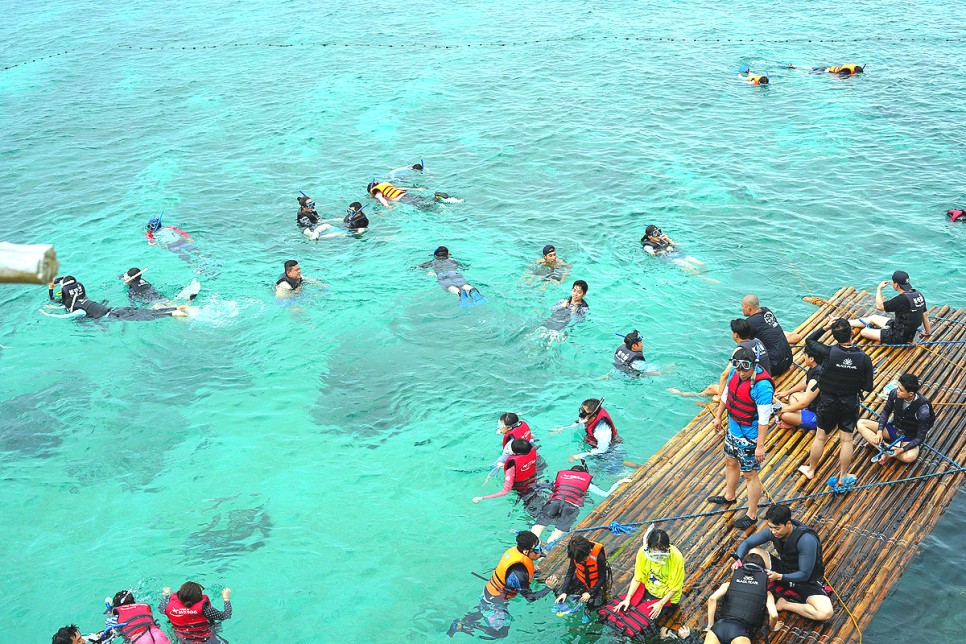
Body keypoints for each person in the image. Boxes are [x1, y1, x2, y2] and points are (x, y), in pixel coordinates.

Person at [797, 317, 874, 486]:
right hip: (849, 401)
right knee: (846, 439)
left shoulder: (828, 352)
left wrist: (825, 327)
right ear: (852, 333)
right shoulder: (864, 358)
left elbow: (809, 340)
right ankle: (843, 475)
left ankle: (811, 469)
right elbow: (869, 387)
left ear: (834, 335)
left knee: (820, 436)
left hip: (827, 400)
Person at [709, 347, 774, 530]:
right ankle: (730, 495)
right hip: (733, 429)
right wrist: (718, 416)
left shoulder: (762, 386)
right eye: (738, 369)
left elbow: (763, 419)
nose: (741, 373)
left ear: (754, 365)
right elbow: (725, 395)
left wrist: (759, 446)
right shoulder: (734, 374)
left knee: (750, 475)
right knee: (730, 462)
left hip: (750, 438)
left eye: (745, 369)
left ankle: (751, 514)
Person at [734, 504, 833, 623]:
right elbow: (747, 543)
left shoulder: (806, 540)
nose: (773, 532)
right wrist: (738, 560)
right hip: (784, 569)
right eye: (771, 527)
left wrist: (780, 577)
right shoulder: (772, 531)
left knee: (825, 613)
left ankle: (785, 604)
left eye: (777, 528)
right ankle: (753, 590)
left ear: (788, 524)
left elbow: (805, 574)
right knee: (754, 552)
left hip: (805, 580)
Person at [448, 531, 554, 639]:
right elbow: (530, 598)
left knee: (483, 610)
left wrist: (531, 571)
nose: (540, 552)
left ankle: (460, 623)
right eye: (536, 550)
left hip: (488, 592)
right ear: (526, 552)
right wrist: (548, 587)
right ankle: (466, 627)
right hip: (495, 601)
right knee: (501, 633)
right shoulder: (519, 573)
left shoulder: (516, 552)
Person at [599, 527, 688, 639]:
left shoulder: (676, 557)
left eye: (662, 552)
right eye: (655, 553)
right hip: (648, 588)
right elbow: (637, 578)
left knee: (640, 628)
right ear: (649, 548)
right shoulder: (642, 553)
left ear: (667, 548)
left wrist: (661, 603)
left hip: (667, 597)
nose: (658, 557)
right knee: (620, 615)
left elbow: (675, 587)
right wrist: (628, 598)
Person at [530, 464, 631, 544]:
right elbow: (606, 494)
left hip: (553, 503)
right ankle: (546, 552)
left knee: (539, 526)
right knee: (557, 533)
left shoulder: (560, 479)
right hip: (570, 508)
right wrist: (618, 483)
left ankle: (530, 545)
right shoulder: (587, 483)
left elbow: (543, 486)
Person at [856, 373, 934, 465]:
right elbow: (885, 412)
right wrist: (880, 431)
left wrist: (901, 450)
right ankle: (886, 448)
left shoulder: (923, 411)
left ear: (910, 394)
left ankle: (886, 449)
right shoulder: (894, 393)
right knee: (861, 423)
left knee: (910, 457)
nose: (897, 391)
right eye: (898, 387)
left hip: (909, 437)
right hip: (894, 428)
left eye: (900, 390)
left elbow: (920, 437)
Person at [704, 553, 779, 644]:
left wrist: (710, 625)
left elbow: (712, 599)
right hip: (741, 632)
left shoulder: (728, 585)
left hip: (718, 628)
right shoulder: (767, 593)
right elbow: (774, 615)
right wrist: (772, 627)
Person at [847, 271, 931, 345]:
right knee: (873, 318)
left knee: (864, 332)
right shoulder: (918, 294)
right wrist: (927, 332)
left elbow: (879, 306)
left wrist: (879, 289)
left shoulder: (901, 299)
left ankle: (877, 330)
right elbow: (925, 315)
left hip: (899, 336)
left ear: (896, 284)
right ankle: (845, 322)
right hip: (901, 328)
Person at [48, 276, 188, 320]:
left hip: (113, 316)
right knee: (143, 311)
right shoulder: (84, 299)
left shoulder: (78, 309)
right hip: (115, 309)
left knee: (143, 317)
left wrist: (48, 313)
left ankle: (173, 312)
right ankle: (175, 308)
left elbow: (64, 316)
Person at [473, 438, 544, 516]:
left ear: (515, 453)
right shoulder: (531, 452)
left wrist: (482, 498)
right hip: (534, 481)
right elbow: (522, 466)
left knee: (533, 513)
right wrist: (504, 466)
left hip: (523, 490)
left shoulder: (511, 466)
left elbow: (505, 491)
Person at [742, 295, 800, 376]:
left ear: (749, 308)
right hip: (789, 359)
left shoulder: (749, 322)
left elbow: (746, 344)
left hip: (775, 366)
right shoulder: (766, 310)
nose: (742, 309)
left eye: (742, 306)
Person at [554, 535, 611, 612]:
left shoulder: (599, 556)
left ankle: (587, 611)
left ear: (589, 551)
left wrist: (589, 593)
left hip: (595, 583)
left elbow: (602, 578)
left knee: (596, 604)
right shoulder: (575, 554)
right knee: (560, 593)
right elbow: (570, 574)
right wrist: (564, 592)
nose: (581, 562)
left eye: (583, 559)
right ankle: (565, 606)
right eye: (579, 561)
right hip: (580, 579)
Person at [162, 582, 232, 643]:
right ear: (199, 598)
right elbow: (227, 615)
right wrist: (226, 599)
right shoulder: (206, 610)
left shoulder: (169, 609)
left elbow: (161, 608)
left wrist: (166, 595)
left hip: (184, 640)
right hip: (207, 640)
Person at [775, 346, 823, 431]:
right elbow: (806, 383)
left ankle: (795, 421)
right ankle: (795, 418)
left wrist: (783, 409)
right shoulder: (818, 367)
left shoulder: (816, 379)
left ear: (811, 359)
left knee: (784, 415)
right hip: (814, 404)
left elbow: (803, 404)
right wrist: (787, 392)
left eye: (805, 355)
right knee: (793, 395)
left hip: (819, 417)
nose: (803, 357)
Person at [418, 246, 485, 306]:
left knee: (449, 286)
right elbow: (465, 267)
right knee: (463, 284)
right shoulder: (452, 260)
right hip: (454, 273)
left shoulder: (432, 262)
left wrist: (429, 273)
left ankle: (460, 293)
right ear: (447, 255)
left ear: (435, 256)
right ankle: (472, 290)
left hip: (441, 274)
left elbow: (419, 267)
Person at [560, 397, 621, 462]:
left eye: (584, 413)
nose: (581, 415)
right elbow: (581, 420)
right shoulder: (591, 415)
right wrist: (563, 428)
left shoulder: (602, 431)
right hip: (594, 442)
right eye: (582, 410)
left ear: (594, 416)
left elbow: (602, 450)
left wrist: (579, 456)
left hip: (610, 451)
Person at [104, 589, 170, 643]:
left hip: (141, 640)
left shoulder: (116, 615)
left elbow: (110, 632)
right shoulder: (144, 606)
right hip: (159, 635)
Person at [122, 268, 200, 306]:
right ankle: (189, 301)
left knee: (162, 309)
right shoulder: (144, 281)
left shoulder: (131, 289)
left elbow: (132, 298)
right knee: (173, 304)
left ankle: (188, 303)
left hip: (150, 299)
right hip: (158, 294)